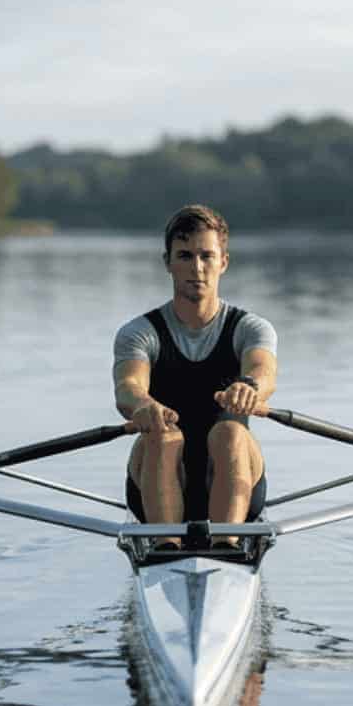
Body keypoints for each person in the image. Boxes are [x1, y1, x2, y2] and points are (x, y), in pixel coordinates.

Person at [111, 204, 276, 542]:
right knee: (162, 434)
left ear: (223, 262)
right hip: (156, 478)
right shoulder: (139, 332)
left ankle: (227, 545)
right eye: (185, 256)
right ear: (168, 263)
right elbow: (128, 385)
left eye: (206, 256)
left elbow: (264, 371)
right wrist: (142, 404)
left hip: (235, 475)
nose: (196, 268)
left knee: (229, 432)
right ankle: (165, 544)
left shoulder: (252, 329)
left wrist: (250, 387)